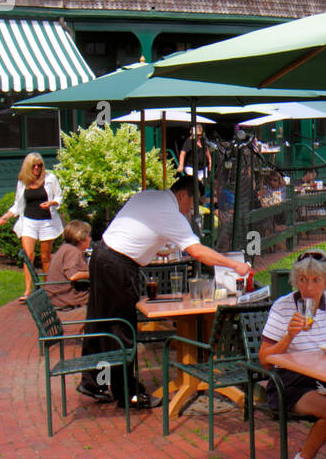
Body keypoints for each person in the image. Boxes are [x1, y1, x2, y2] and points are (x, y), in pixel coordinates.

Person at [78, 175, 251, 408]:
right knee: (120, 329)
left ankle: (95, 381)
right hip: (118, 266)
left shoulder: (150, 196)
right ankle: (128, 395)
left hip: (102, 256)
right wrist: (235, 265)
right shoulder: (169, 211)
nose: (191, 210)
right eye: (192, 203)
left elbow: (137, 229)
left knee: (100, 323)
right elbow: (198, 252)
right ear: (183, 195)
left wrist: (154, 248)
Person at [256, 249, 326, 459]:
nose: (308, 287)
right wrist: (289, 335)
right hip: (290, 381)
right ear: (295, 281)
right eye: (302, 280)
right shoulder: (284, 306)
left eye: (315, 280)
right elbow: (265, 361)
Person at [0, 152, 64, 301]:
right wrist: (7, 216)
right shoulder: (23, 182)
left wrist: (52, 203)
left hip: (47, 221)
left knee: (45, 257)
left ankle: (47, 289)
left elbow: (59, 197)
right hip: (29, 221)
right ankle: (28, 291)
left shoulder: (50, 178)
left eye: (39, 165)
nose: (37, 168)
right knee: (28, 256)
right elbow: (18, 204)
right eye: (34, 166)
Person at [46, 220, 91, 313]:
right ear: (81, 239)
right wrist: (94, 273)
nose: (90, 239)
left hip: (58, 295)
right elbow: (73, 275)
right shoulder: (72, 252)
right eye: (88, 236)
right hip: (64, 298)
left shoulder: (66, 247)